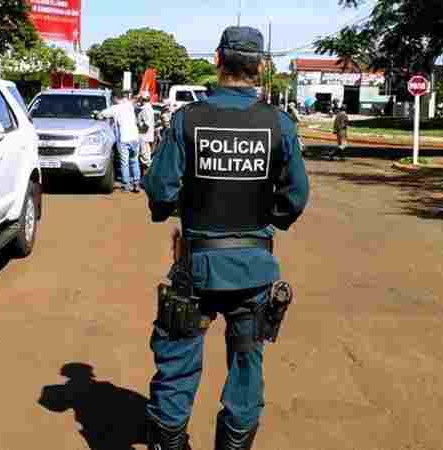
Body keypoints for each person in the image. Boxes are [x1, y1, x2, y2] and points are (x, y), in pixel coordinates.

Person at [142, 26, 310, 450]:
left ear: (217, 59)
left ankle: (171, 441)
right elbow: (296, 196)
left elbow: (160, 190)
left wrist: (174, 209)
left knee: (177, 362)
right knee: (246, 364)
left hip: (195, 267)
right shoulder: (279, 123)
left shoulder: (187, 119)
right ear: (262, 66)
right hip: (253, 270)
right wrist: (261, 219)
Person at [99, 90, 142, 192]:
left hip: (124, 138)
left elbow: (102, 115)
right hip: (135, 138)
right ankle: (136, 183)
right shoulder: (129, 105)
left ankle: (126, 185)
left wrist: (96, 114)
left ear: (115, 98)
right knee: (135, 161)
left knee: (124, 162)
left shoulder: (115, 108)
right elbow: (135, 100)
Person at [138, 91, 156, 173]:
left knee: (145, 158)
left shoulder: (146, 109)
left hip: (144, 136)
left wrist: (138, 123)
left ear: (142, 99)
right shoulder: (147, 108)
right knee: (145, 157)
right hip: (145, 136)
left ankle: (148, 178)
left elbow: (146, 124)